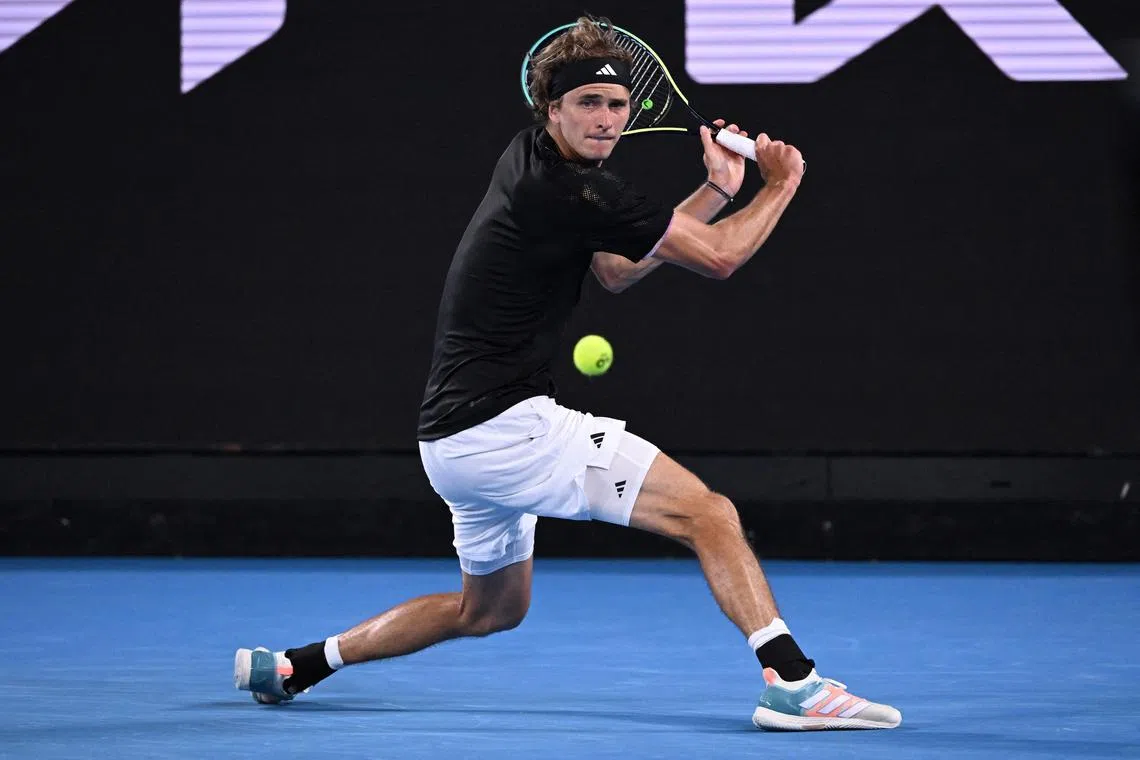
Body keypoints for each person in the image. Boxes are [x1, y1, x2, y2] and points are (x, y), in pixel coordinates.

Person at [235, 16, 901, 731]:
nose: (606, 119)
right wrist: (781, 184)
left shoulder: (536, 163)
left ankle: (296, 666)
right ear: (552, 109)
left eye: (616, 105)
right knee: (709, 514)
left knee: (487, 611)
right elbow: (720, 258)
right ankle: (794, 685)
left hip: (452, 444)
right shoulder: (574, 189)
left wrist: (715, 190)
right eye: (587, 103)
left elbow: (616, 270)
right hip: (504, 427)